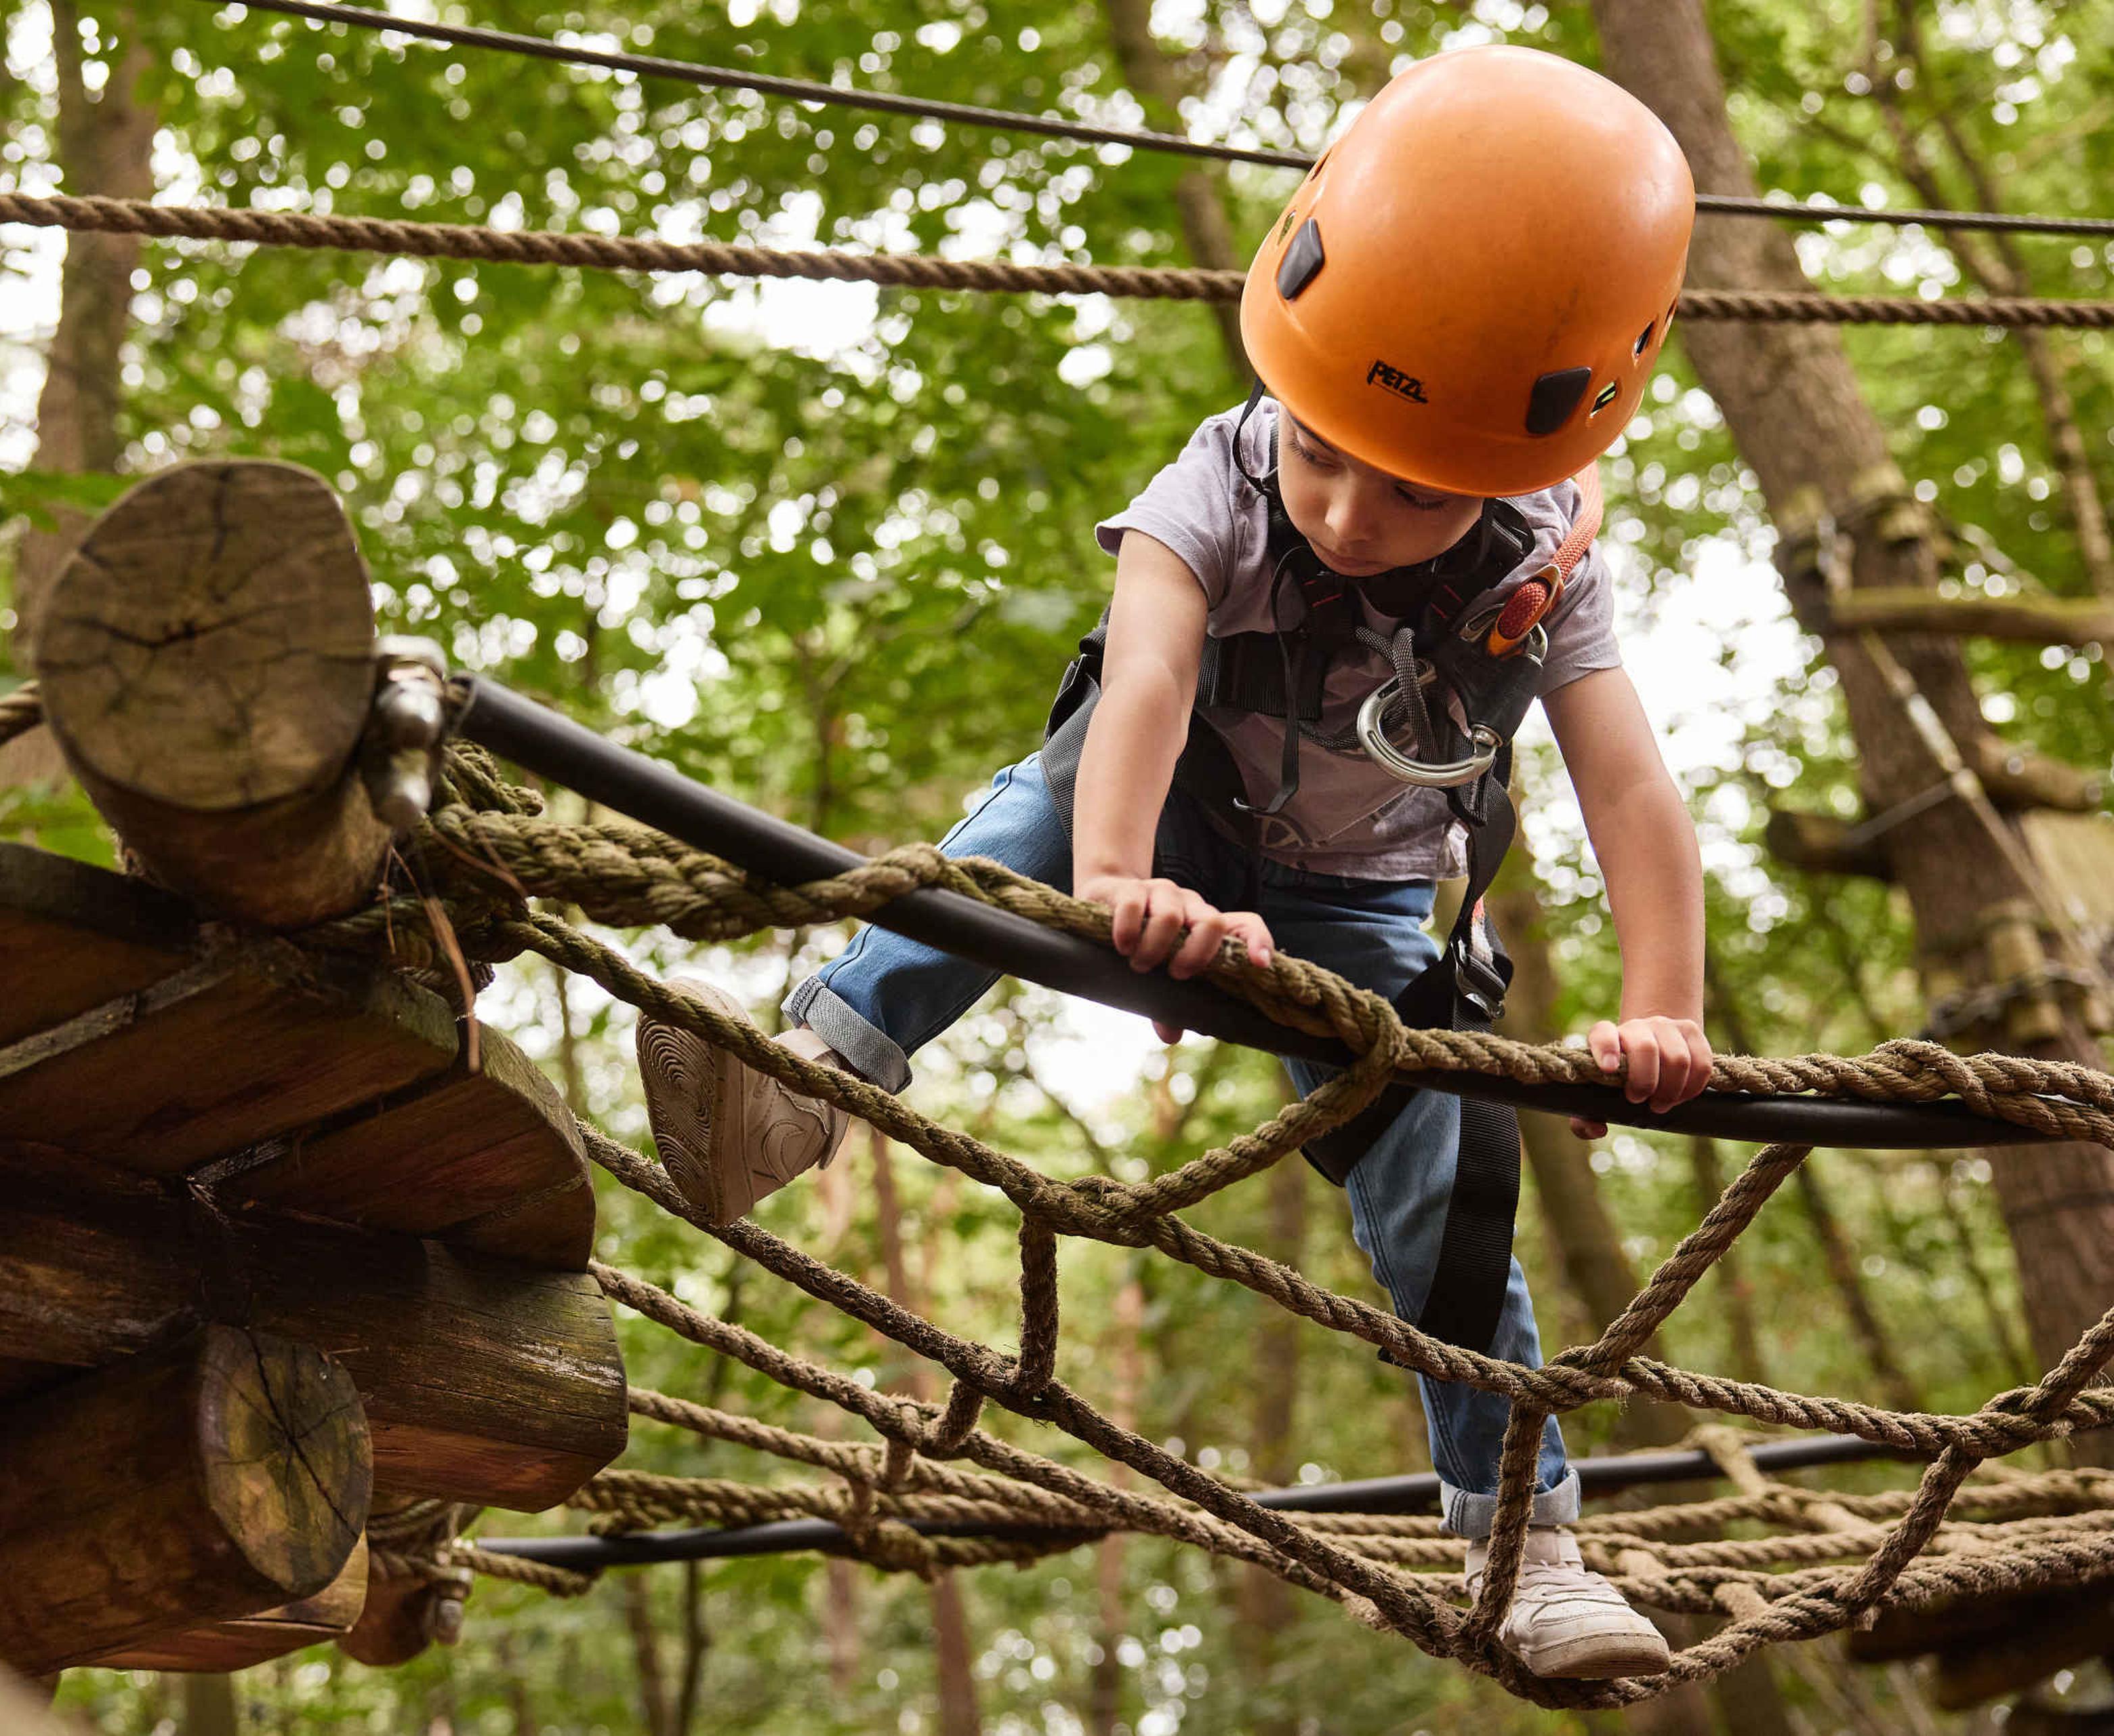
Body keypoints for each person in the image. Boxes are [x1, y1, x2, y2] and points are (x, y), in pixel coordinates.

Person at [633, 45, 1713, 1681]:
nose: (1348, 513)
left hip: (1356, 901)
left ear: (1505, 469)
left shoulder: (1540, 564)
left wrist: (1665, 1012)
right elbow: (1139, 685)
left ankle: (1524, 1542)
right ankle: (809, 1071)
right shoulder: (1216, 476)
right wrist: (1126, 876)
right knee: (1025, 825)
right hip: (1166, 807)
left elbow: (1628, 789)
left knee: (1452, 1168)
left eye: (1412, 489)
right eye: (1326, 451)